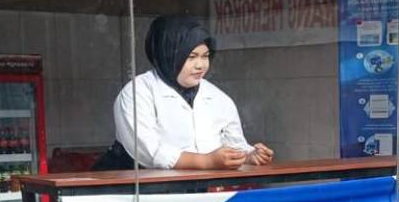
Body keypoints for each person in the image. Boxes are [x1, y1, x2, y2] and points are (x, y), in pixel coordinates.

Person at [96, 14, 273, 171]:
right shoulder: (137, 92)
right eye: (191, 57)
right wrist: (205, 162)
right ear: (168, 54)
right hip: (134, 189)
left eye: (205, 56)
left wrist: (248, 155)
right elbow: (147, 151)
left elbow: (233, 144)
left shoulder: (218, 98)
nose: (200, 65)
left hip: (191, 188)